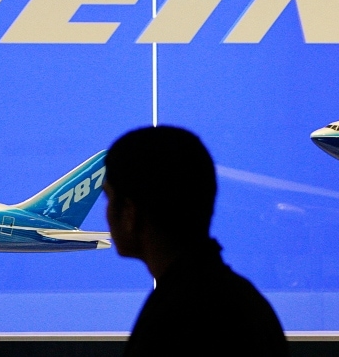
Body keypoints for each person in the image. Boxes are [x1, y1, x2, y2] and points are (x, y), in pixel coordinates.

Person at [104, 125, 287, 356]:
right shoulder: (244, 302)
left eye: (109, 198)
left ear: (130, 213)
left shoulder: (175, 321)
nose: (106, 213)